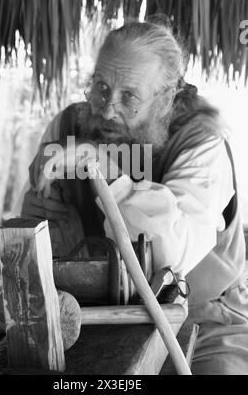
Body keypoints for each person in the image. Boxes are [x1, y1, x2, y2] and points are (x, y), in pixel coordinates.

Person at [18, 19, 248, 375]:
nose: (108, 109)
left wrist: (106, 171)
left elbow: (168, 261)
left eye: (130, 96)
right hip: (90, 314)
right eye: (101, 87)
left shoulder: (202, 143)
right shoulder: (65, 131)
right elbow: (37, 247)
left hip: (204, 316)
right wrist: (44, 224)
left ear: (167, 96)